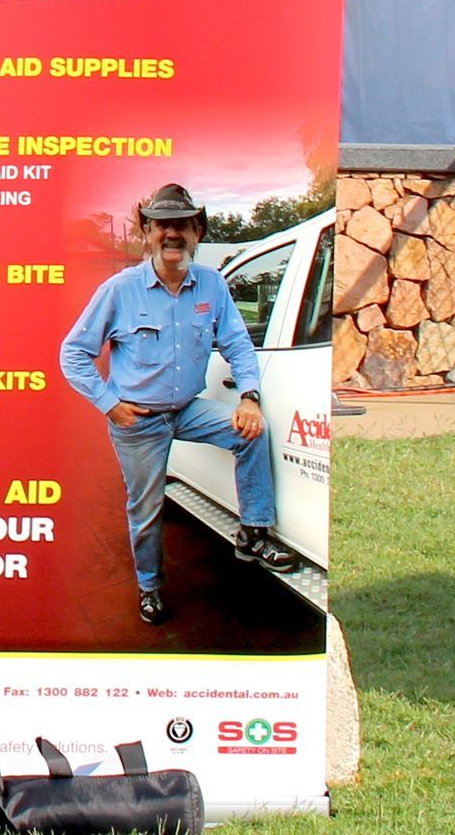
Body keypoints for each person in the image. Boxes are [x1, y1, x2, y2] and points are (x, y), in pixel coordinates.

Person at [58, 182, 297, 624]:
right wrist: (110, 404)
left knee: (249, 433)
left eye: (182, 226)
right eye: (163, 226)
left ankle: (254, 533)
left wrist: (250, 397)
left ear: (197, 233)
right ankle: (150, 587)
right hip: (139, 420)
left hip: (188, 408)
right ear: (147, 233)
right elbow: (73, 353)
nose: (173, 235)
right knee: (146, 509)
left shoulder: (211, 284)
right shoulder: (119, 290)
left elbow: (239, 345)